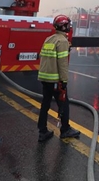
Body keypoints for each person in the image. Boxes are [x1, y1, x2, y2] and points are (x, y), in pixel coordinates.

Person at [37, 14, 80, 142]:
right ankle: (65, 130)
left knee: (45, 104)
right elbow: (62, 63)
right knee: (64, 104)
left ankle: (42, 131)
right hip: (56, 80)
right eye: (67, 25)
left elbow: (42, 56)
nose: (69, 27)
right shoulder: (62, 41)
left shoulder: (49, 39)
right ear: (64, 26)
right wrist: (64, 81)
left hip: (44, 78)